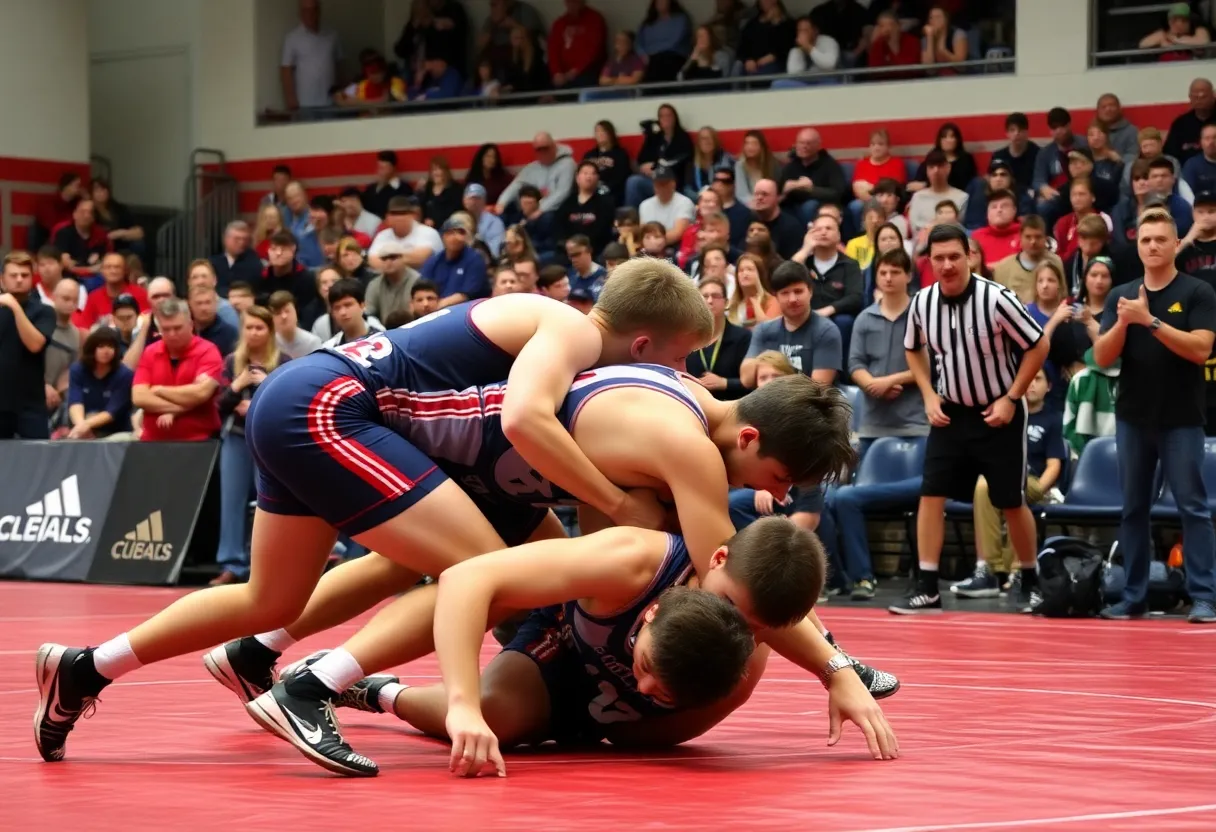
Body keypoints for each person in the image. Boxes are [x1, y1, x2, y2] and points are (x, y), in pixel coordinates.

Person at [33, 261, 714, 763]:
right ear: (646, 344)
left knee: (271, 598)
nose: (673, 377)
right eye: (677, 360)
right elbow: (526, 420)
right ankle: (309, 688)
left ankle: (86, 668)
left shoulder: (555, 330)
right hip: (332, 409)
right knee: (489, 576)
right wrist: (618, 500)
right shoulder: (570, 329)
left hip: (305, 400)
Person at [240, 364, 888, 776]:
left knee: (408, 573)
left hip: (519, 483)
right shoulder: (687, 481)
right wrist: (835, 665)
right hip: (482, 467)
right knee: (459, 584)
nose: (772, 493)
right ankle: (320, 675)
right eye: (779, 478)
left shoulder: (685, 407)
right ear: (752, 440)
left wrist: (833, 665)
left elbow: (757, 601)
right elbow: (745, 575)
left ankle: (284, 652)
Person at [392, 518, 839, 777]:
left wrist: (838, 671)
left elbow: (652, 734)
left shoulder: (738, 655)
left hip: (610, 701)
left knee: (536, 723)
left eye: (757, 629)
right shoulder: (637, 560)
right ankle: (369, 685)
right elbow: (466, 578)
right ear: (653, 611)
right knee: (490, 717)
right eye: (730, 606)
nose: (738, 626)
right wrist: (464, 705)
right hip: (568, 635)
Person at [891, 224, 1049, 614]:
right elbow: (912, 349)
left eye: (954, 257)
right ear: (928, 261)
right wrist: (929, 394)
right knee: (930, 495)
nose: (946, 265)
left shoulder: (997, 299)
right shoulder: (922, 302)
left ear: (970, 257)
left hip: (1001, 412)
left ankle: (1031, 580)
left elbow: (1038, 344)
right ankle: (927, 586)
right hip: (951, 413)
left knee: (1011, 501)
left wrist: (1012, 398)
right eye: (938, 258)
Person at [1093, 207, 1216, 623]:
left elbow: (1201, 349)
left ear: (1174, 242)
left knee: (1193, 507)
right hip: (1133, 417)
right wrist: (1126, 324)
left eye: (1160, 239)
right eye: (1145, 240)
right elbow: (1102, 356)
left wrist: (1151, 321)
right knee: (1132, 509)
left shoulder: (1198, 291)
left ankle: (1204, 596)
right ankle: (1134, 597)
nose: (1152, 246)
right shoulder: (1122, 295)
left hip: (1182, 417)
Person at [0, 251, 57, 439]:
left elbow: (35, 345)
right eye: (13, 275)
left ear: (32, 279)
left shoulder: (44, 311)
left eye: (24, 275)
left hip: (30, 405)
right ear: (2, 280)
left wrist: (14, 307)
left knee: (39, 463)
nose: (19, 280)